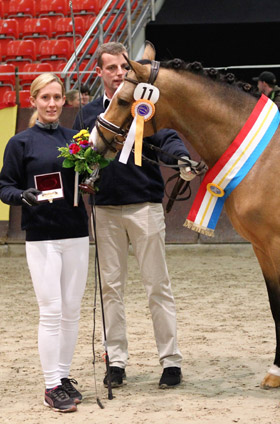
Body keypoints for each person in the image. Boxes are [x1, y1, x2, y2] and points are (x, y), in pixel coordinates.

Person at [73, 42, 194, 390]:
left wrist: (180, 158)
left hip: (144, 206)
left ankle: (170, 361)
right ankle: (117, 361)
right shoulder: (88, 114)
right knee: (111, 289)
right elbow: (78, 154)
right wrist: (82, 174)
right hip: (106, 210)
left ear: (130, 69)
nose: (117, 74)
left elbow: (168, 139)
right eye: (110, 68)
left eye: (122, 67)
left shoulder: (146, 106)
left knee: (158, 285)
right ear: (100, 72)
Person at [0, 73, 89, 413]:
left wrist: (89, 185)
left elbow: (86, 179)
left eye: (57, 97)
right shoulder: (20, 143)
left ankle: (64, 376)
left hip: (76, 233)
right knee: (51, 311)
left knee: (71, 311)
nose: (52, 104)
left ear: (64, 100)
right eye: (45, 98)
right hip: (42, 237)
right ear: (34, 101)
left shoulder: (76, 140)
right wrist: (23, 195)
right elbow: (4, 187)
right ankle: (51, 384)